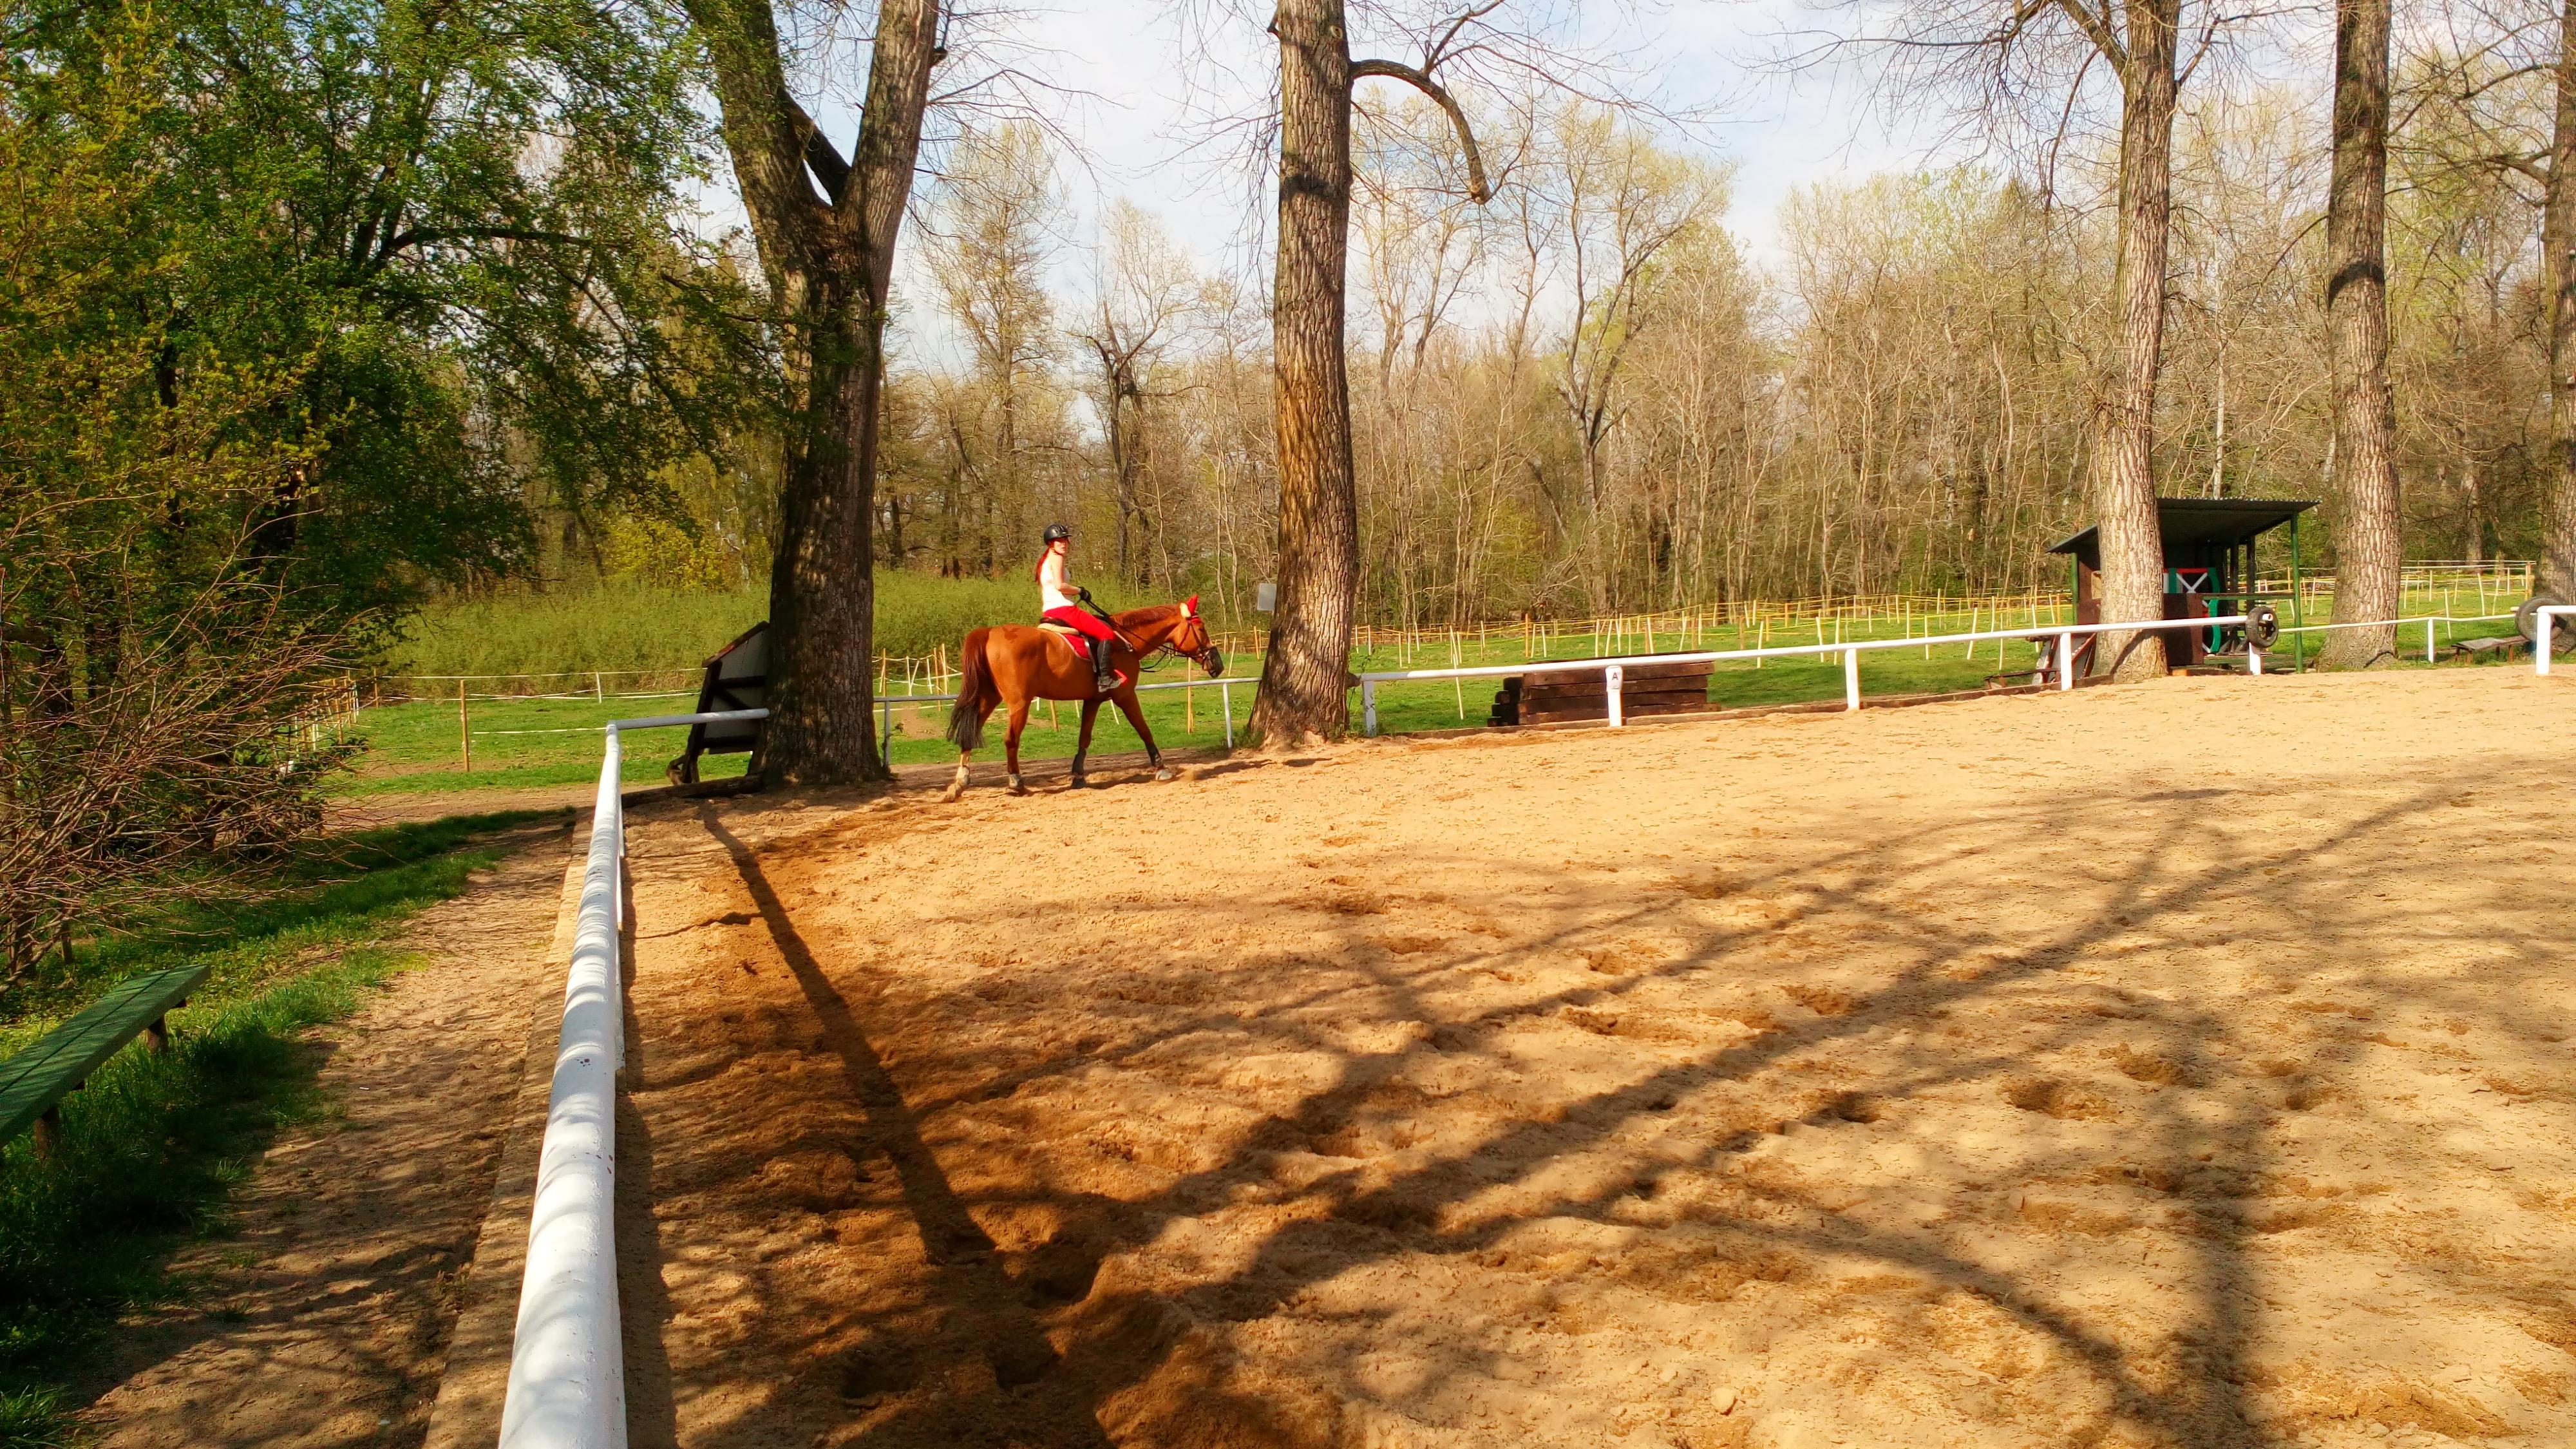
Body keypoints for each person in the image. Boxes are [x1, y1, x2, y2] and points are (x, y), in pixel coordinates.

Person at [1036, 522, 1121, 694]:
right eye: (1059, 540)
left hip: (1049, 610)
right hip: (1064, 610)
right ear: (1050, 543)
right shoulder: (1057, 557)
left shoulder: (1043, 561)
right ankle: (1105, 679)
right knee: (1106, 633)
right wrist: (1079, 590)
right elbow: (1060, 586)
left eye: (1065, 540)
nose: (1064, 543)